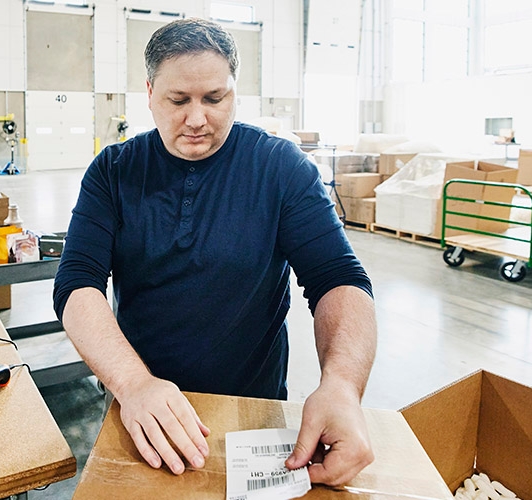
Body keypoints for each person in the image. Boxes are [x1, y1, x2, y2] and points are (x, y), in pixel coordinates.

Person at [53, 18, 377, 487]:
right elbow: (77, 283)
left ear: (234, 91)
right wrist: (133, 384)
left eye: (214, 98)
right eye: (178, 100)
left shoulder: (281, 168)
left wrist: (343, 387)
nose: (197, 119)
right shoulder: (114, 172)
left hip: (253, 412)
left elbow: (338, 278)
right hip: (140, 409)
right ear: (149, 93)